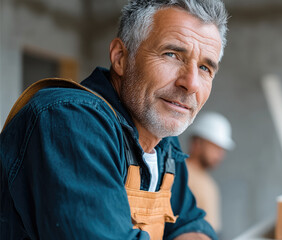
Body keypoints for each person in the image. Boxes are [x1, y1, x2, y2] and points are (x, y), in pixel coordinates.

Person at [0, 0, 228, 239]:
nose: (190, 83)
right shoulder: (70, 120)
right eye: (171, 54)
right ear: (120, 57)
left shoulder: (164, 142)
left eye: (204, 68)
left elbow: (190, 225)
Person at [185, 112, 235, 234]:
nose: (220, 155)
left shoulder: (208, 183)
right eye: (215, 147)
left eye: (222, 150)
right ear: (197, 143)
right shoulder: (181, 174)